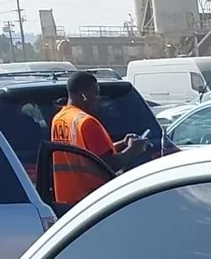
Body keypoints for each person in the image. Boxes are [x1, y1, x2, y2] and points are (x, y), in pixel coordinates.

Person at [48, 71, 145, 207]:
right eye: (95, 93)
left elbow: (86, 154)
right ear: (83, 95)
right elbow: (109, 164)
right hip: (92, 201)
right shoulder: (87, 122)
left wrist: (122, 144)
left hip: (66, 201)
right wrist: (133, 150)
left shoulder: (58, 119)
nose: (98, 98)